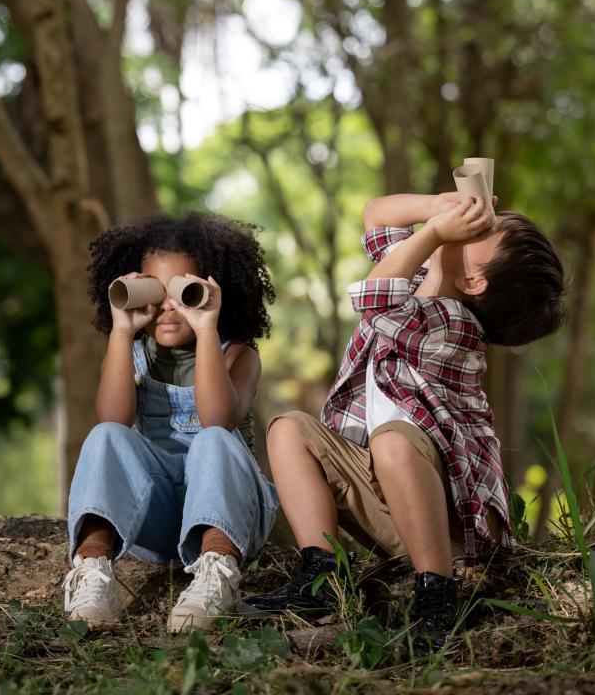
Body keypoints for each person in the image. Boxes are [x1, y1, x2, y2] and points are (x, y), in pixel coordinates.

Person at [240, 192, 566, 653]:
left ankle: (436, 593)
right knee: (289, 428)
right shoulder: (416, 278)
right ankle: (321, 573)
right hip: (394, 505)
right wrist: (435, 206)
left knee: (392, 440)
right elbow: (375, 215)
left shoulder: (452, 324)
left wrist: (434, 232)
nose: (467, 224)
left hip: (450, 527)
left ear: (473, 281)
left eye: (481, 232)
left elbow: (375, 300)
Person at [63, 213, 278, 633]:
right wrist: (121, 332)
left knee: (213, 439)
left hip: (228, 513)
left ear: (212, 291)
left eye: (183, 290)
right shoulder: (133, 352)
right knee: (104, 435)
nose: (166, 305)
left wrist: (207, 327)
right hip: (159, 517)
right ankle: (92, 570)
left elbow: (219, 418)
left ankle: (217, 569)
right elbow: (113, 421)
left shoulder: (237, 355)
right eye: (154, 289)